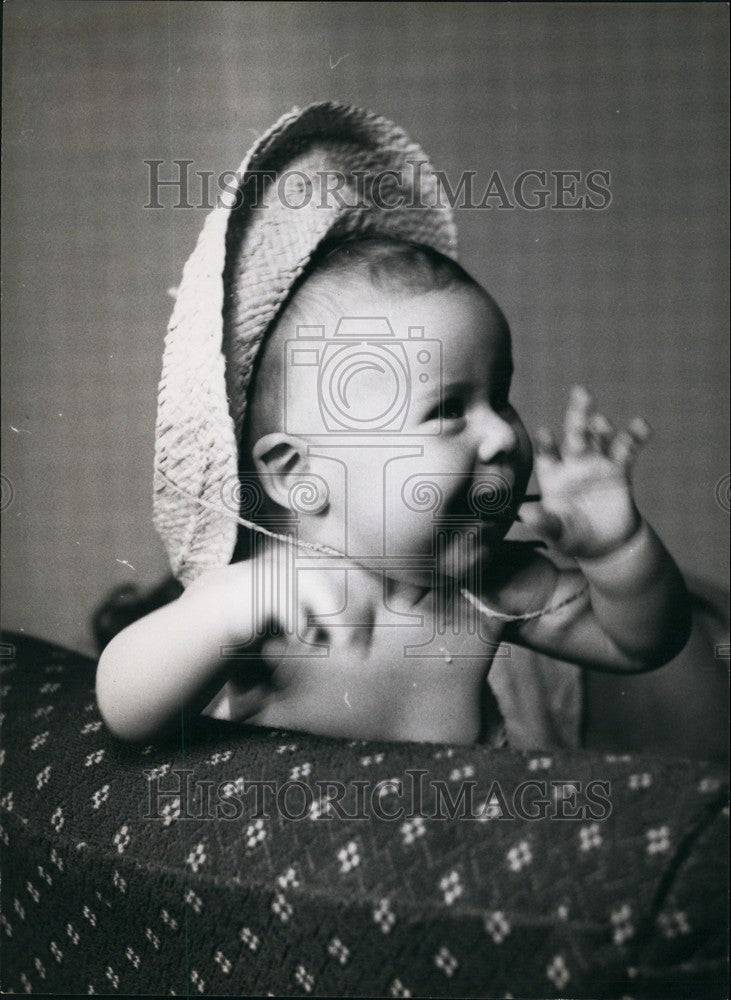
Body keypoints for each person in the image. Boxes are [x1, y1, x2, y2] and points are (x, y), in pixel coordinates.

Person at [95, 104, 691, 746]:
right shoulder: (274, 592)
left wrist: (617, 551)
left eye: (501, 397)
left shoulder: (488, 585)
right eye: (448, 411)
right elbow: (124, 711)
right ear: (300, 476)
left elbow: (639, 645)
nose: (501, 436)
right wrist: (223, 613)